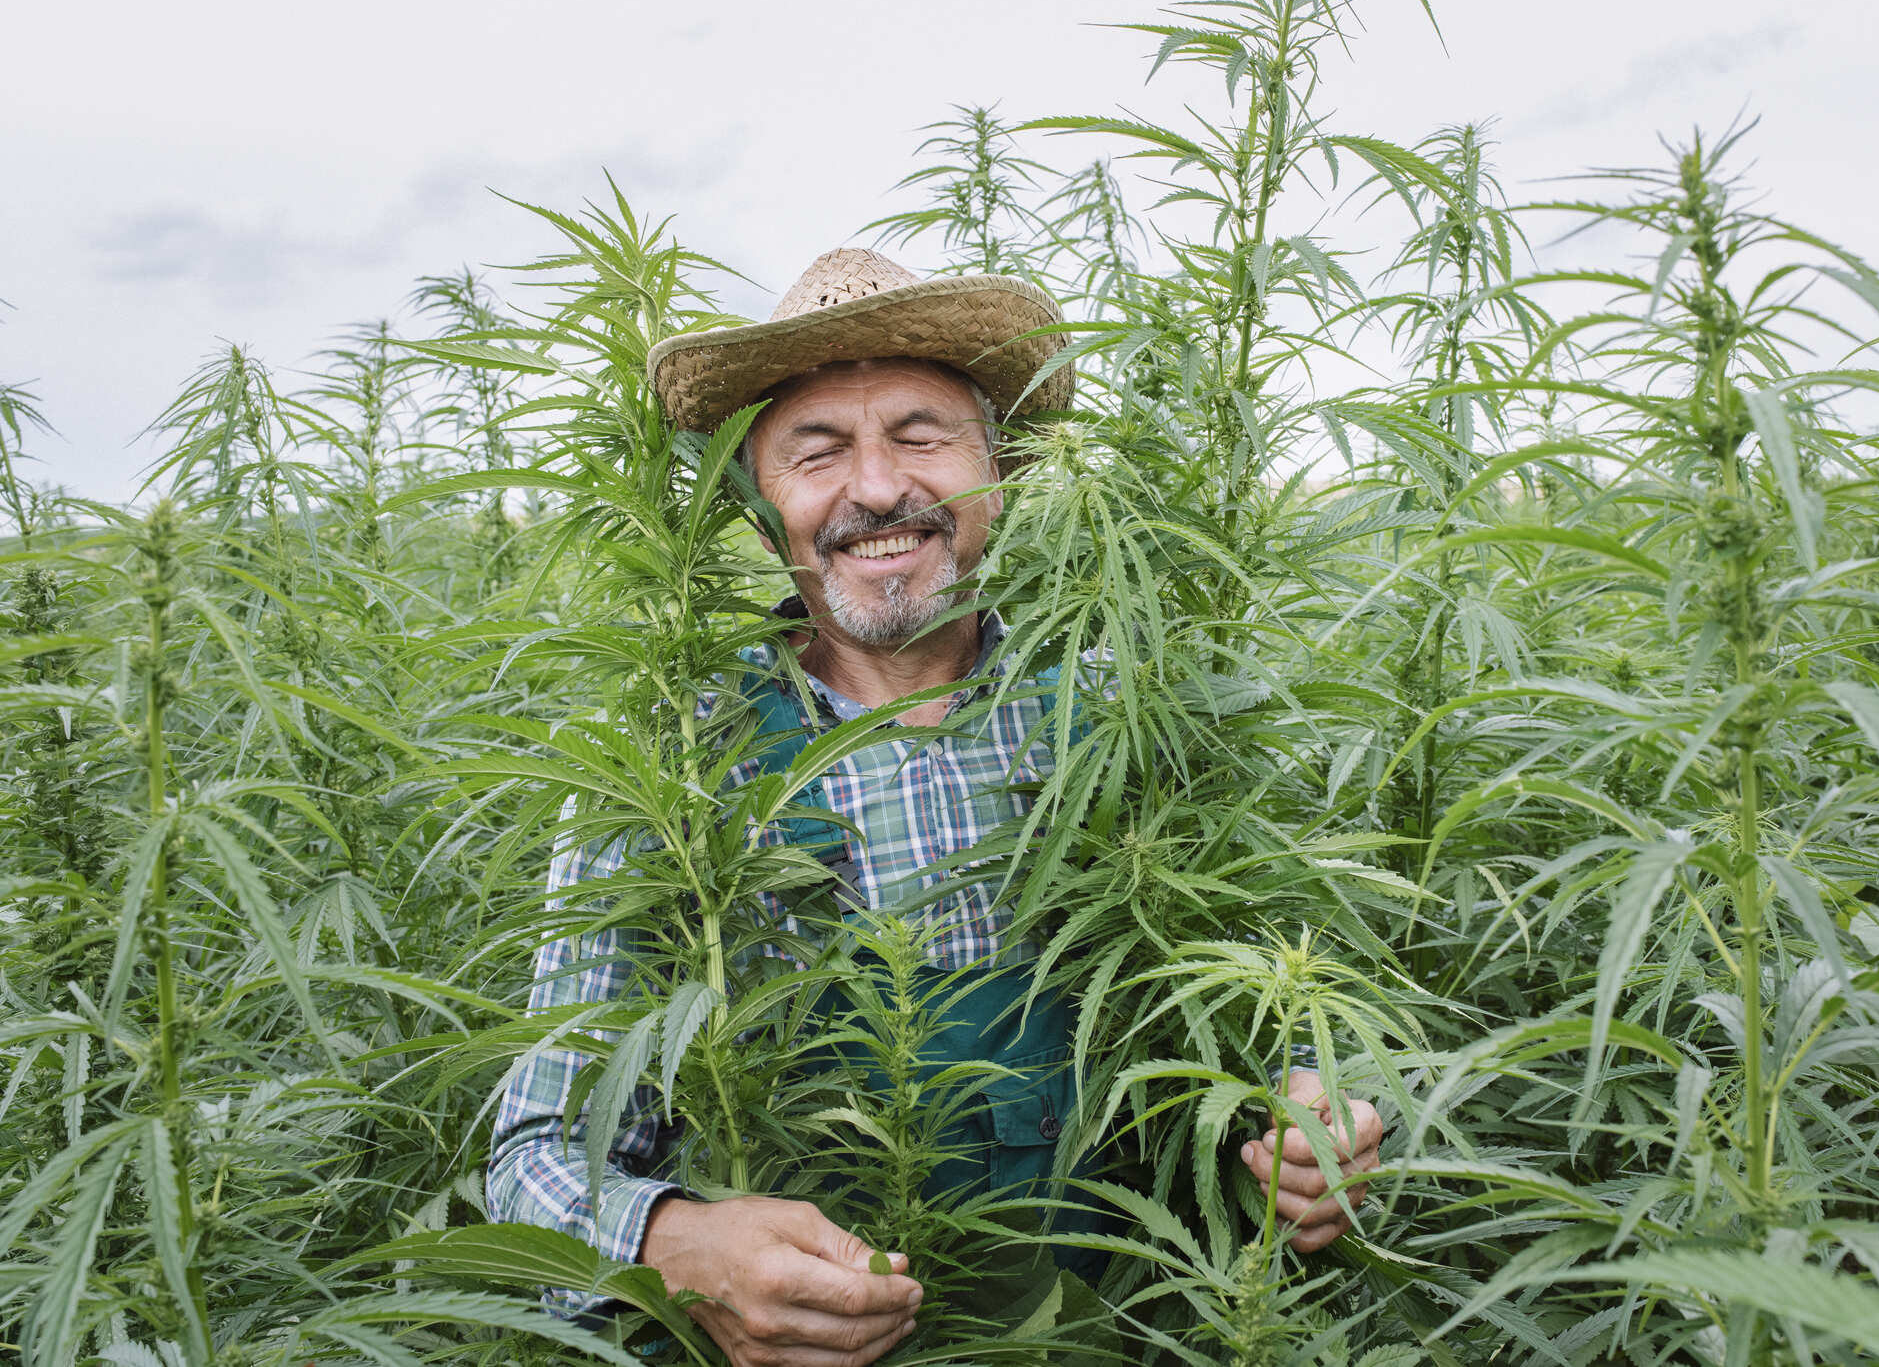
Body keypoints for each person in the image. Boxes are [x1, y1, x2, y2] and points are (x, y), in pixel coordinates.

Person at [488, 248, 1384, 1367]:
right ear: (762, 512)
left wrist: (1322, 1107)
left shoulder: (1128, 709)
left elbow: (1299, 1012)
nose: (876, 487)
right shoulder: (668, 766)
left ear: (998, 472)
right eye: (816, 451)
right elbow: (531, 1155)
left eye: (921, 435)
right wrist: (675, 1243)